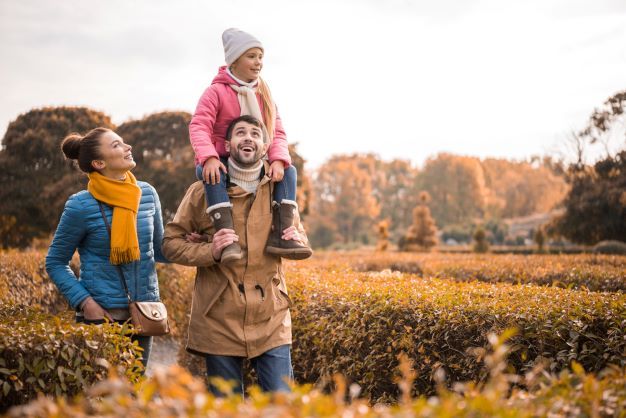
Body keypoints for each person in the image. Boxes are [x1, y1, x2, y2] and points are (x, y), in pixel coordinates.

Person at [163, 115, 308, 395]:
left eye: (255, 133)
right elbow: (170, 244)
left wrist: (297, 237)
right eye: (240, 132)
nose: (248, 138)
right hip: (219, 319)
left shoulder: (282, 190)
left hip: (272, 317)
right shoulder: (202, 191)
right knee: (227, 408)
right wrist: (211, 250)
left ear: (265, 147)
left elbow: (299, 234)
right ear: (228, 145)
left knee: (282, 405)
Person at [45, 127, 168, 369]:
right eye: (116, 145)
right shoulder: (80, 205)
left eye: (123, 142)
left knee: (133, 393)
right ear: (99, 162)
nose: (127, 147)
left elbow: (161, 250)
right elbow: (55, 262)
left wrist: (197, 242)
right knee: (101, 394)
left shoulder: (146, 194)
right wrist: (86, 302)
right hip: (101, 317)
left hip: (143, 313)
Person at [189, 27, 312, 263]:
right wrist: (209, 157)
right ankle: (227, 239)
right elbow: (199, 126)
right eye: (251, 56)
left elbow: (277, 131)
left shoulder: (264, 93)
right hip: (223, 157)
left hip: (256, 159)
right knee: (212, 175)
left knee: (289, 171)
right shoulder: (216, 91)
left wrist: (277, 159)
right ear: (235, 60)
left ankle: (283, 234)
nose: (258, 63)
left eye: (260, 57)